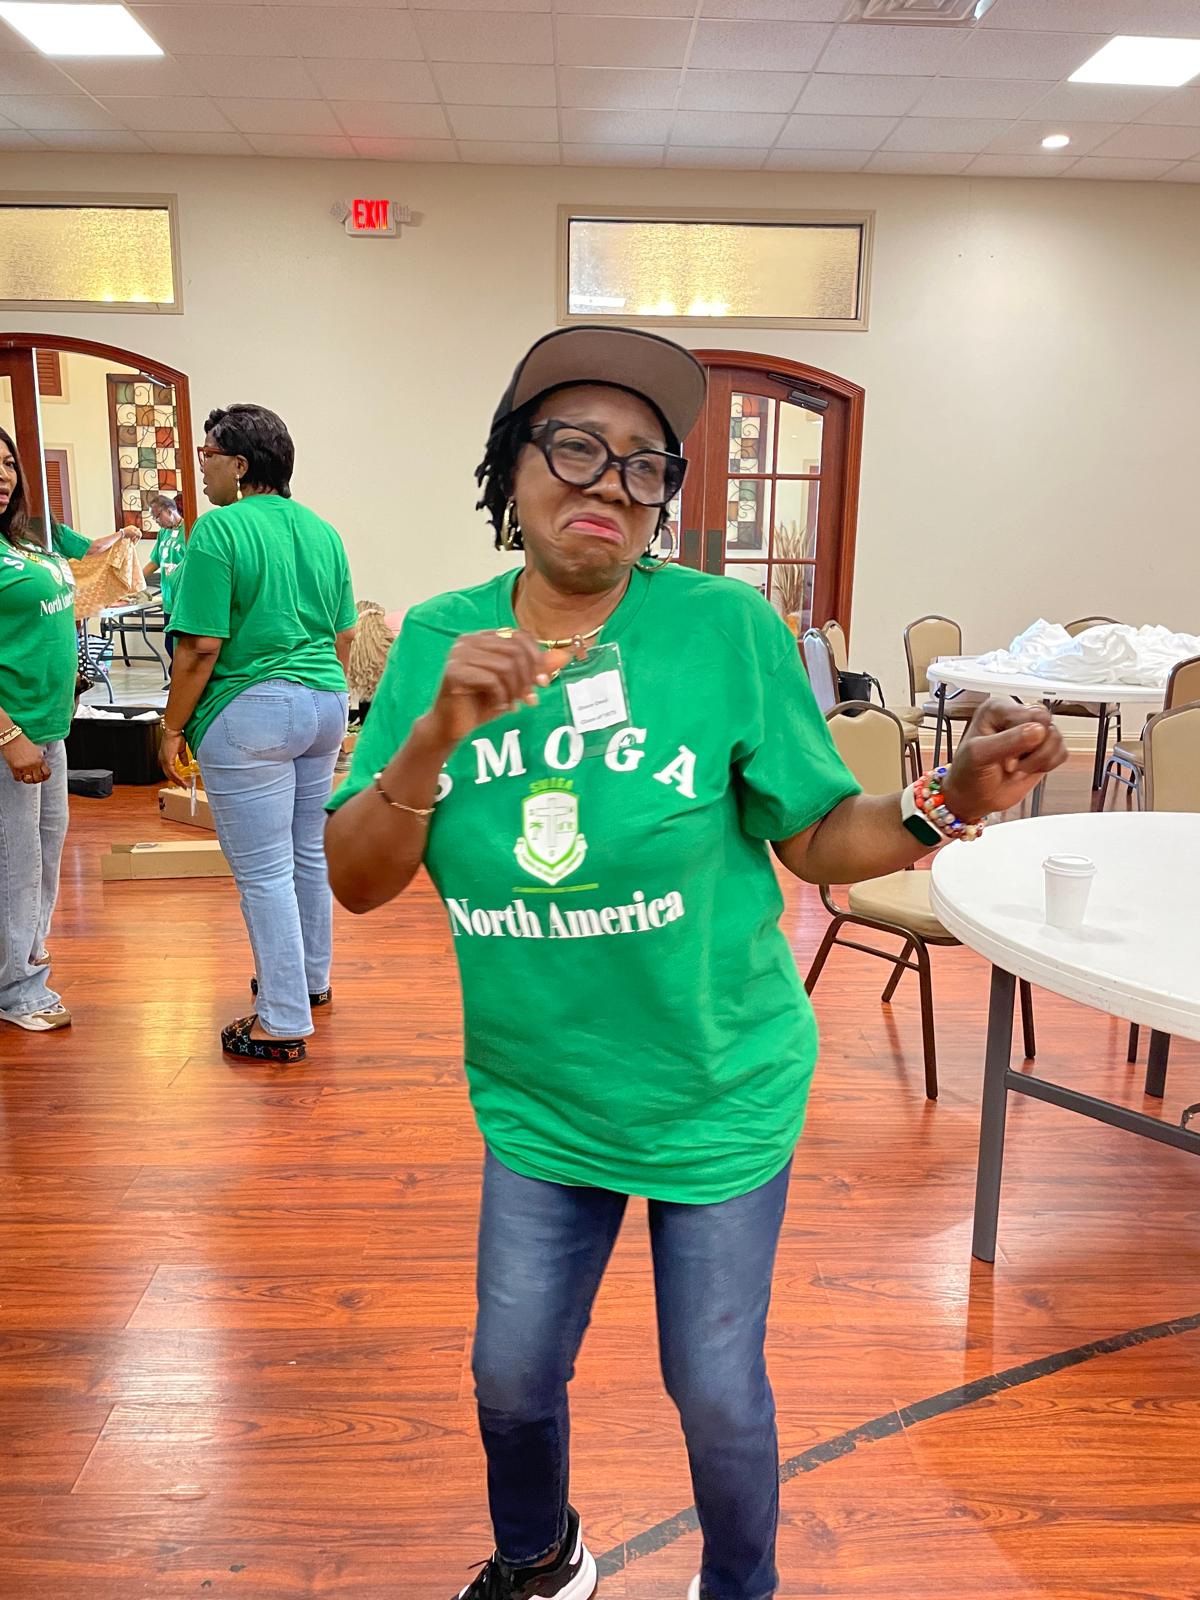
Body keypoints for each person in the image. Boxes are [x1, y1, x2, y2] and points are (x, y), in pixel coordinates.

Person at [324, 327, 1066, 1600]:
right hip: (543, 1093)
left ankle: (739, 1586)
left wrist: (948, 797)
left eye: (646, 464)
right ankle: (540, 1559)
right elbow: (357, 876)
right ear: (510, 467)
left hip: (717, 1084)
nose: (610, 484)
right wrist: (435, 731)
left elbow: (818, 838)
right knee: (510, 1372)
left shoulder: (724, 629)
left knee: (716, 1389)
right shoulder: (442, 640)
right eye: (576, 447)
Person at [159, 404, 356, 1063]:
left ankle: (282, 1019)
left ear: (239, 465)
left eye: (207, 455)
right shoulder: (323, 530)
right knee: (307, 854)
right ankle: (310, 981)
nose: (202, 468)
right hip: (325, 703)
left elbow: (200, 648)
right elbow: (345, 634)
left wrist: (171, 727)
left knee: (264, 871)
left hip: (251, 712)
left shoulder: (220, 529)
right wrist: (320, 691)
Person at [0, 426, 128, 1031]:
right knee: (16, 862)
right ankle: (16, 989)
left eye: (7, 463)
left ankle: (23, 959)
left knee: (44, 853)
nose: (2, 475)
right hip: (13, 733)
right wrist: (9, 736)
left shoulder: (24, 541)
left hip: (49, 727)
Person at [141, 492, 188, 657]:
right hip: (168, 598)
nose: (157, 522)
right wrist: (136, 580)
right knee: (169, 645)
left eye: (157, 517)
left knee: (181, 647)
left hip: (183, 598)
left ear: (169, 510)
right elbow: (155, 561)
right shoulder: (163, 533)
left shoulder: (188, 529)